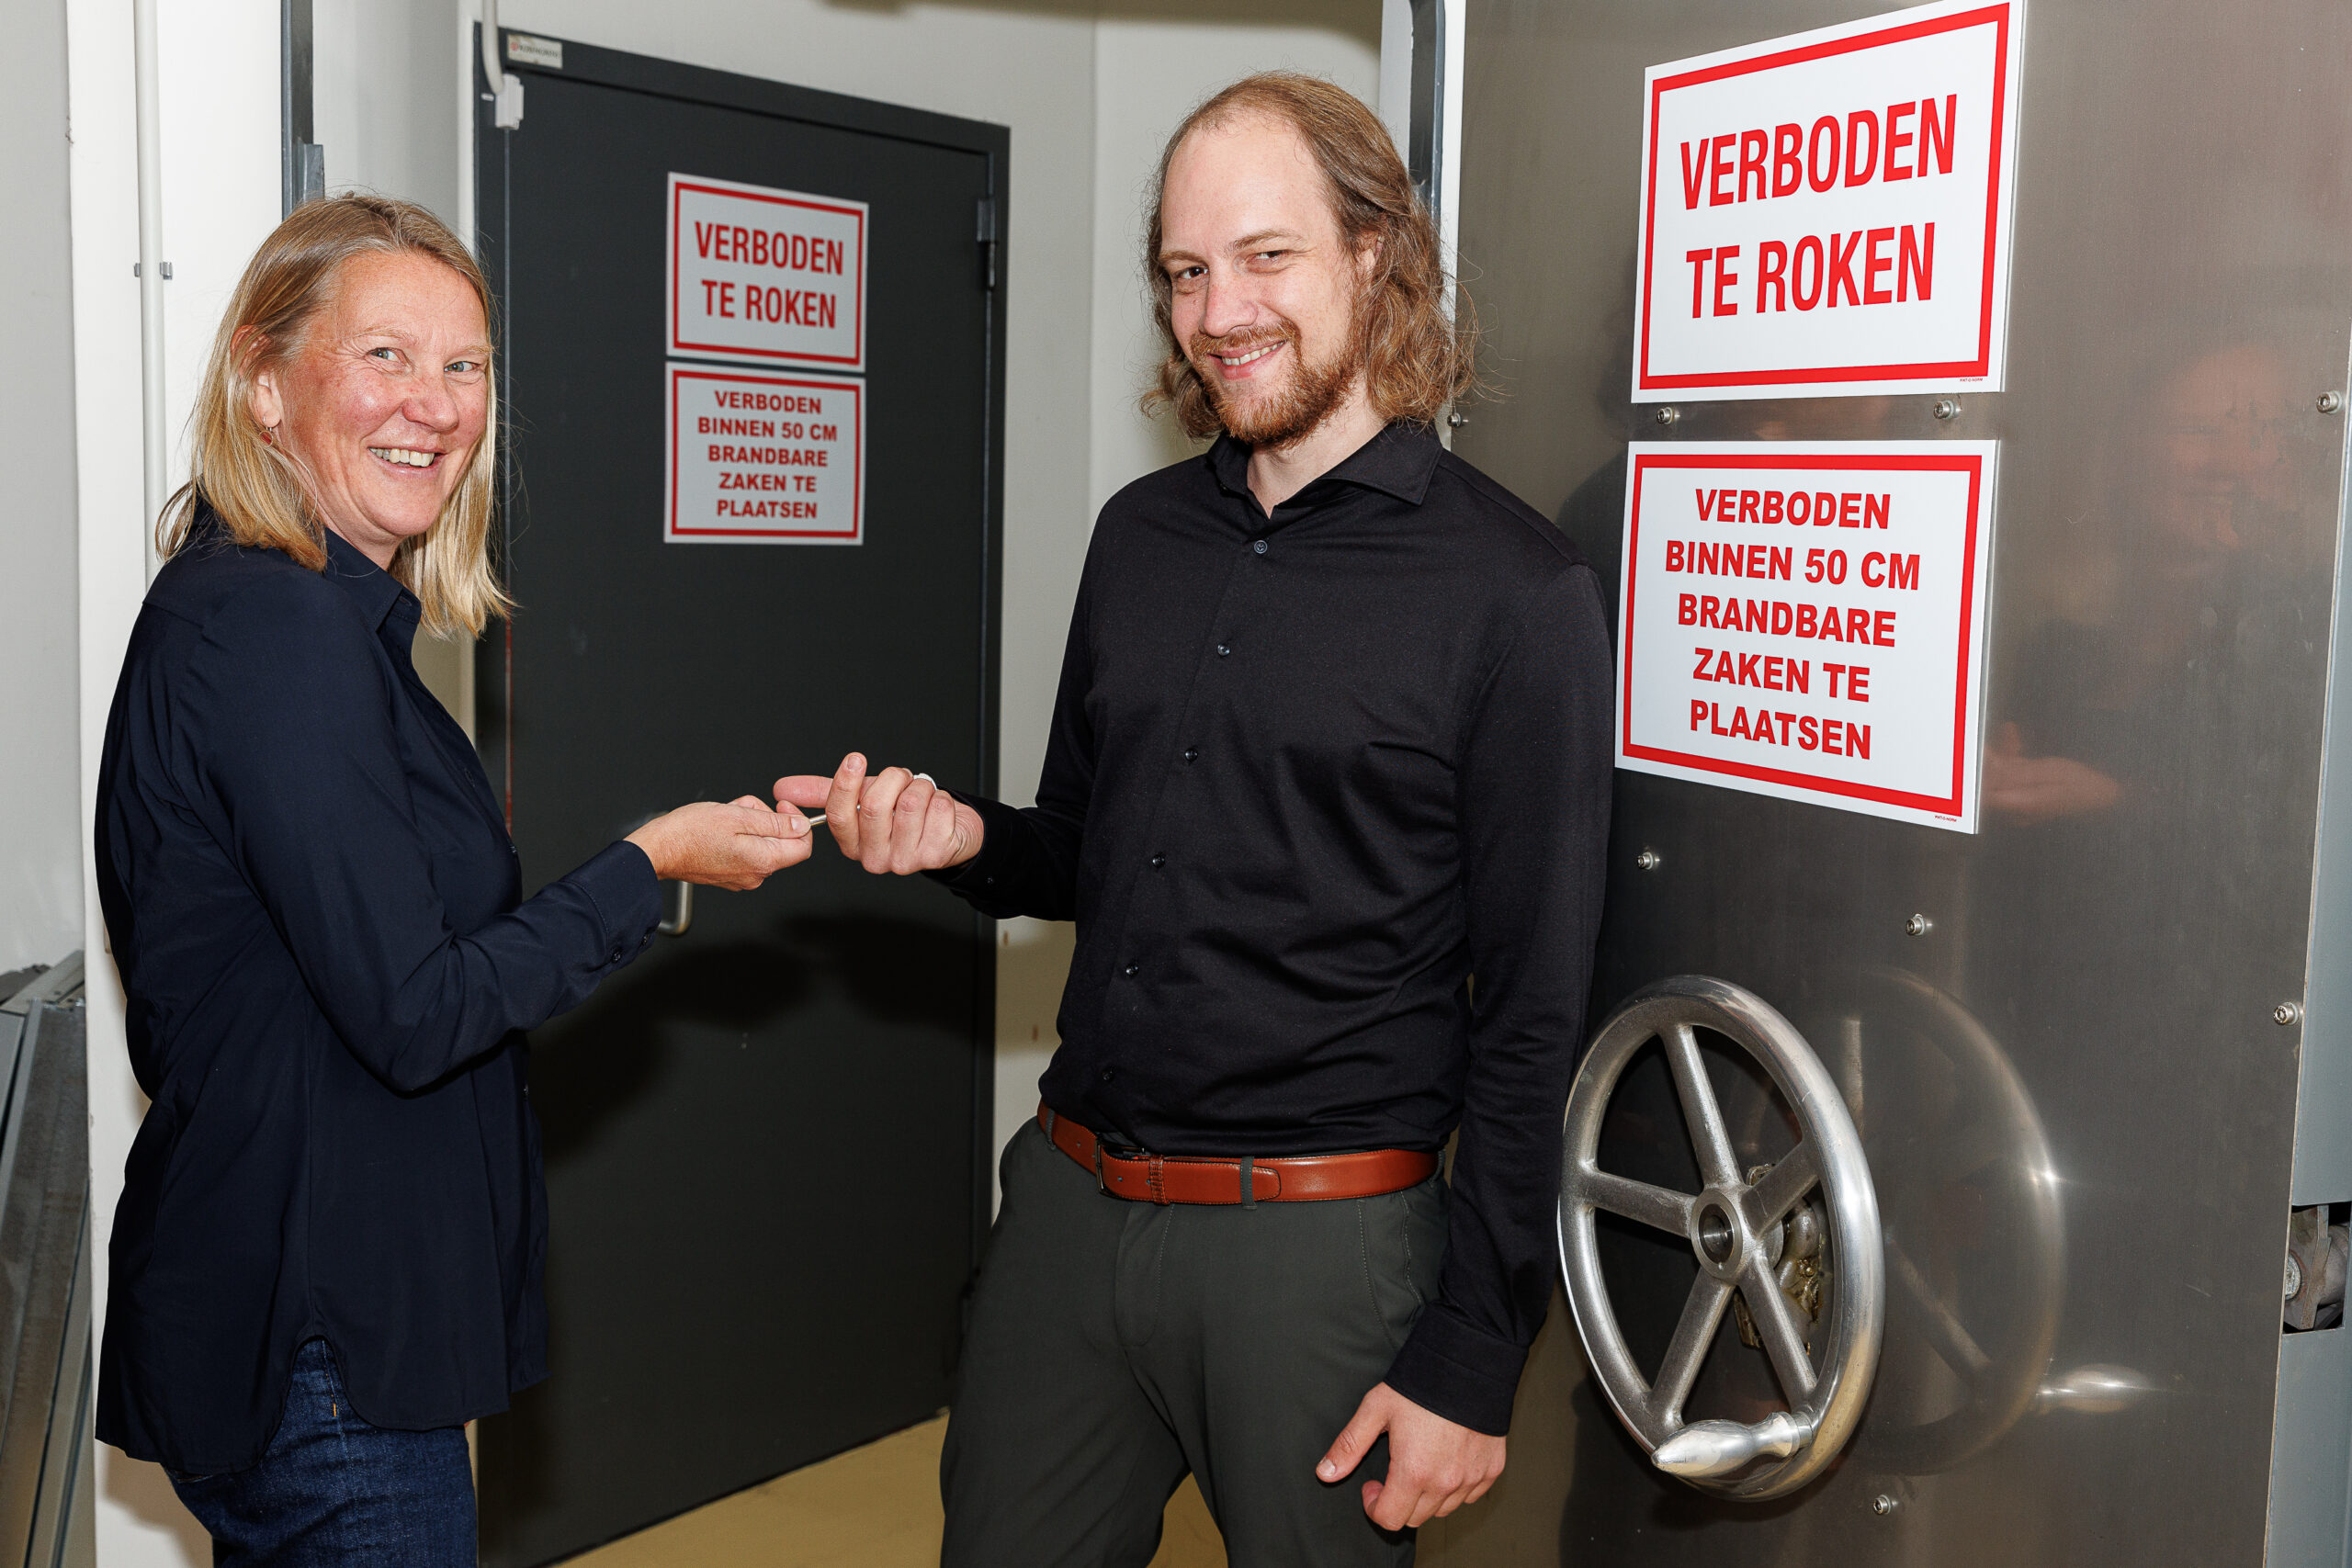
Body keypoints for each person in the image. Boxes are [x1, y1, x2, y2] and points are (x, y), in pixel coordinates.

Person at [778, 73, 1612, 1565]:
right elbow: (1089, 849)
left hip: (1326, 1253)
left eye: (1266, 256)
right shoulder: (1141, 538)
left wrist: (1475, 1352)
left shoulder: (1517, 592)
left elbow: (1537, 1012)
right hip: (1074, 1212)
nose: (1220, 311)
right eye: (1184, 270)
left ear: (1376, 256)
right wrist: (965, 837)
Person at [93, 194, 813, 1564]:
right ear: (263, 382)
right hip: (324, 1349)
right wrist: (649, 864)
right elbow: (414, 1008)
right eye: (384, 356)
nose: (431, 405)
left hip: (318, 1321)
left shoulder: (292, 618)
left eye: (464, 366)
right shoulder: (277, 628)